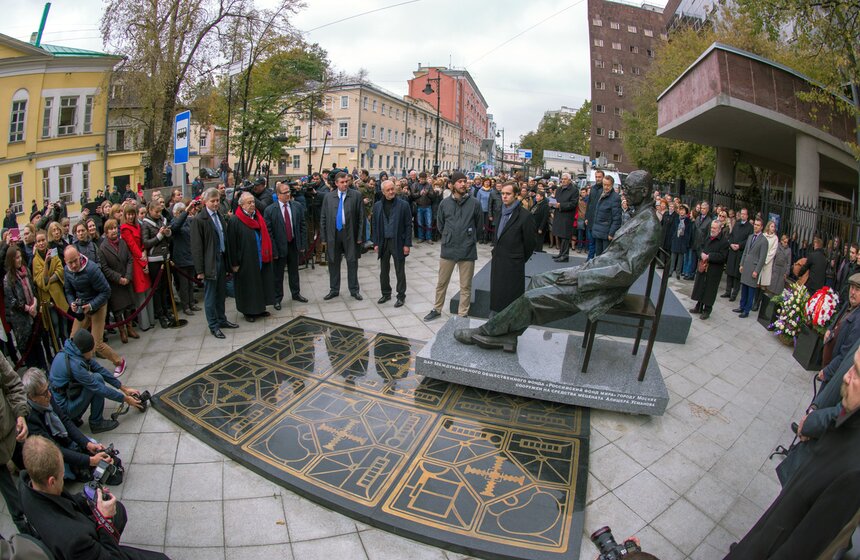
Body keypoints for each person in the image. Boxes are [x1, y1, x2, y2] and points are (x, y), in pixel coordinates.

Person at [454, 170, 660, 353]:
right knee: (538, 280)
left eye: (628, 189)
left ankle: (487, 331)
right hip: (594, 273)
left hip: (603, 288)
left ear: (642, 192)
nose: (623, 193)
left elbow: (626, 271)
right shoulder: (638, 216)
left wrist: (580, 275)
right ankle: (509, 333)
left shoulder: (649, 224)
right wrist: (582, 269)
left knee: (531, 299)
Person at [724, 346, 860, 560]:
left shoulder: (853, 471)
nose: (847, 376)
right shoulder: (845, 427)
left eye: (857, 373)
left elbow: (803, 546)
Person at [19, 435, 170, 560]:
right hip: (89, 546)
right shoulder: (75, 540)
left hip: (76, 529)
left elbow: (64, 502)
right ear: (52, 481)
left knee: (119, 510)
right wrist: (105, 520)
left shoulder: (27, 484)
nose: (63, 477)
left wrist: (89, 497)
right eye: (62, 475)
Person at [23, 368, 113, 482]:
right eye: (44, 393)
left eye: (48, 389)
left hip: (61, 441)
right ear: (32, 397)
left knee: (93, 445)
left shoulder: (46, 397)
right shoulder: (30, 418)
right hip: (49, 452)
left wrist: (87, 443)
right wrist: (90, 460)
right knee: (64, 473)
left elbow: (65, 420)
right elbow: (53, 450)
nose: (49, 395)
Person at [48, 329, 142, 433]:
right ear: (85, 350)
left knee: (97, 376)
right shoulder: (75, 365)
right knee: (97, 380)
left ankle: (76, 418)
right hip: (64, 410)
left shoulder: (73, 351)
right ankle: (96, 422)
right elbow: (99, 388)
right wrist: (125, 399)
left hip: (67, 398)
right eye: (91, 350)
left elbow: (99, 368)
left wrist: (123, 388)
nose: (93, 352)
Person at [424, 172, 482, 321]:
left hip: (467, 249)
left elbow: (479, 226)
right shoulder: (445, 203)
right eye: (460, 182)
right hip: (448, 248)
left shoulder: (475, 203)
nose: (463, 184)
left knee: (466, 286)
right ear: (452, 184)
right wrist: (448, 237)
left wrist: (469, 238)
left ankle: (463, 313)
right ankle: (437, 309)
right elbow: (441, 225)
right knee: (442, 283)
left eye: (465, 181)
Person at [64, 245, 127, 376]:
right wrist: (72, 303)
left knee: (97, 344)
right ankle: (79, 368)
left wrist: (92, 305)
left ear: (79, 256)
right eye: (70, 263)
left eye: (75, 260)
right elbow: (68, 290)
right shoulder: (67, 270)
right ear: (65, 261)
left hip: (98, 305)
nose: (74, 265)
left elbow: (106, 291)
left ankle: (120, 362)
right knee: (73, 340)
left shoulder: (91, 269)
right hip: (82, 305)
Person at [191, 187, 238, 339]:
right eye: (213, 201)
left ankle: (222, 319)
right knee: (211, 296)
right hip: (210, 262)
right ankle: (213, 325)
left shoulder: (219, 215)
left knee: (221, 293)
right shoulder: (200, 219)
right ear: (205, 202)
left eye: (217, 200)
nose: (216, 203)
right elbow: (197, 247)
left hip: (222, 258)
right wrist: (200, 270)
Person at [227, 192, 275, 322]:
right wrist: (234, 263)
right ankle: (248, 311)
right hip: (245, 259)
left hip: (259, 256)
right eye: (249, 202)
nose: (252, 205)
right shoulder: (235, 220)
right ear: (241, 205)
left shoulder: (258, 217)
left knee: (260, 283)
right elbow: (232, 243)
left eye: (253, 202)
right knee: (248, 286)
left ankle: (260, 308)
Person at [489, 182, 536, 313]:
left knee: (511, 300)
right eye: (503, 193)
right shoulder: (500, 212)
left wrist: (518, 258)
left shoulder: (525, 216)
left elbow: (530, 244)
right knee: (497, 296)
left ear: (516, 195)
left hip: (513, 264)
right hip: (498, 261)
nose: (504, 196)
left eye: (508, 194)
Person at [263, 182, 308, 310]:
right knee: (278, 275)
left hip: (293, 244)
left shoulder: (297, 206)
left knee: (294, 271)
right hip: (279, 246)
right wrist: (274, 250)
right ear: (278, 195)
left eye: (289, 192)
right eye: (284, 192)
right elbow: (269, 233)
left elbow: (302, 226)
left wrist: (302, 244)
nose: (288, 195)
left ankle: (296, 293)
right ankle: (277, 298)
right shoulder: (270, 210)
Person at [320, 172, 364, 301]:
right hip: (333, 234)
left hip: (350, 233)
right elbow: (323, 217)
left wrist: (360, 236)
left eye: (347, 182)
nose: (345, 184)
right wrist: (324, 237)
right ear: (336, 183)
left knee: (352, 261)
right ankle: (334, 290)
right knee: (333, 261)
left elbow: (361, 217)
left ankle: (354, 290)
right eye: (342, 182)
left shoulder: (356, 196)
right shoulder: (328, 197)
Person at [0, 354, 30, 534]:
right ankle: (29, 535)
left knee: (37, 473)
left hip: (13, 432)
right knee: (16, 506)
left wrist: (20, 414)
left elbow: (12, 384)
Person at [371, 179, 412, 307]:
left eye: (392, 189)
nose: (391, 191)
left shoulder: (403, 205)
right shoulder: (377, 206)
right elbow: (375, 225)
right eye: (388, 190)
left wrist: (407, 244)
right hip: (383, 241)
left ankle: (401, 295)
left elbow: (408, 226)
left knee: (400, 269)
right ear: (383, 192)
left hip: (398, 242)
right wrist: (376, 242)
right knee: (384, 270)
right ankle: (386, 293)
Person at [98, 219, 138, 344]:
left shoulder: (123, 243)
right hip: (115, 284)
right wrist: (118, 278)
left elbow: (130, 260)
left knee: (128, 307)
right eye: (111, 228)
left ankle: (130, 328)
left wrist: (127, 276)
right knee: (118, 310)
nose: (114, 230)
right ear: (106, 232)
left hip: (126, 279)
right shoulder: (103, 248)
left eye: (115, 227)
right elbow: (105, 268)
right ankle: (122, 331)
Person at [4, 245, 44, 368]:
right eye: (16, 258)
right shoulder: (8, 279)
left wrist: (35, 303)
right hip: (22, 322)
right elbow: (12, 301)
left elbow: (33, 289)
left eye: (20, 256)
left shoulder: (26, 271)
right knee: (29, 351)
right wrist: (27, 308)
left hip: (34, 315)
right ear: (11, 260)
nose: (19, 259)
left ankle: (45, 370)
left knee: (38, 345)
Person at [31, 230, 69, 347]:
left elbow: (60, 270)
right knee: (55, 324)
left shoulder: (53, 253)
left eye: (43, 240)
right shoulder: (35, 261)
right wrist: (46, 265)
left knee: (64, 322)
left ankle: (67, 345)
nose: (41, 243)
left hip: (58, 294)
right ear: (36, 244)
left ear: (46, 241)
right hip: (48, 299)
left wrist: (50, 279)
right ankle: (58, 348)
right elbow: (41, 281)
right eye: (39, 241)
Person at [119, 204, 153, 331]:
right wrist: (143, 261)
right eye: (128, 214)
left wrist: (144, 251)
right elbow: (133, 247)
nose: (131, 216)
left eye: (132, 214)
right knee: (140, 294)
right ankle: (145, 323)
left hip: (142, 258)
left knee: (148, 291)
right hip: (136, 263)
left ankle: (151, 319)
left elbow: (142, 242)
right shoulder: (125, 229)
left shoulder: (138, 225)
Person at [141, 200, 174, 329]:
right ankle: (160, 314)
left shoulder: (163, 220)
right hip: (155, 260)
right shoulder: (146, 224)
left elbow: (169, 239)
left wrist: (168, 234)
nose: (158, 214)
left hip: (166, 257)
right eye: (156, 212)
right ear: (150, 211)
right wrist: (160, 236)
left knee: (166, 286)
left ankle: (167, 311)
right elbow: (146, 243)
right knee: (157, 288)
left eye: (160, 211)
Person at [690, 219, 730, 319]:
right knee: (700, 287)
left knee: (710, 290)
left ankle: (707, 310)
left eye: (714, 228)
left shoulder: (724, 242)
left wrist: (709, 256)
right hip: (703, 266)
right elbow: (700, 247)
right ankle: (698, 306)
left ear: (720, 229)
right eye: (711, 227)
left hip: (714, 270)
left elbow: (723, 257)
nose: (712, 229)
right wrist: (701, 254)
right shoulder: (707, 236)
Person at [734, 218, 768, 318]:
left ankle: (746, 310)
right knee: (743, 287)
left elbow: (762, 258)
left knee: (750, 290)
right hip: (746, 266)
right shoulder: (750, 237)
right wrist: (741, 264)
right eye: (755, 224)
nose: (756, 226)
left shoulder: (764, 241)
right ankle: (741, 306)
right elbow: (745, 252)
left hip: (753, 268)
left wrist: (757, 271)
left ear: (761, 227)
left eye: (758, 225)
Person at [170, 201, 199, 316]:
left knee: (191, 282)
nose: (183, 214)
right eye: (180, 212)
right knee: (184, 284)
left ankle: (192, 303)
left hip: (190, 255)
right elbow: (176, 227)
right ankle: (185, 305)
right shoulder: (174, 223)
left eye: (184, 211)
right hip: (181, 257)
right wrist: (186, 212)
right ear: (175, 213)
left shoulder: (189, 221)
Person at [722, 208, 752, 301]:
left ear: (747, 216)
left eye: (744, 214)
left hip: (740, 252)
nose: (742, 215)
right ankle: (727, 291)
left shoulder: (750, 227)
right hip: (732, 251)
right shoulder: (737, 224)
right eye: (741, 214)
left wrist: (739, 245)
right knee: (729, 272)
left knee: (737, 275)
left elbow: (748, 240)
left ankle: (734, 294)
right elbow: (731, 235)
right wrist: (731, 244)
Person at [590, 175, 622, 257]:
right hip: (598, 230)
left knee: (605, 257)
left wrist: (611, 233)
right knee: (598, 256)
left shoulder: (615, 197)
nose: (606, 187)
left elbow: (617, 218)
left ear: (612, 185)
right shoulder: (601, 194)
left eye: (608, 185)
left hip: (607, 233)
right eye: (604, 184)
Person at [549, 173, 578, 262]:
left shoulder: (574, 190)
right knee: (560, 235)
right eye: (562, 179)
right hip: (559, 214)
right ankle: (561, 254)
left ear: (569, 180)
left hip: (567, 216)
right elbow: (556, 200)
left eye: (565, 179)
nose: (563, 180)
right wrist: (552, 204)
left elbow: (573, 204)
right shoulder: (558, 189)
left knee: (565, 236)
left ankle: (565, 256)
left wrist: (560, 205)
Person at [583, 169, 605, 260]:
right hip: (591, 220)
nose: (597, 178)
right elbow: (589, 204)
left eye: (599, 177)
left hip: (600, 222)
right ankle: (589, 260)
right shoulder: (592, 188)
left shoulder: (605, 189)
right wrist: (586, 217)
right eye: (596, 177)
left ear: (603, 177)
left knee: (599, 246)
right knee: (591, 243)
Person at [669, 204, 692, 280]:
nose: (682, 212)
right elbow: (673, 229)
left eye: (683, 210)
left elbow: (689, 232)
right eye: (680, 210)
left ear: (686, 212)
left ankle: (678, 273)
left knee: (680, 258)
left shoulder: (688, 221)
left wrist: (687, 242)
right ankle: (670, 271)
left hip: (683, 241)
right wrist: (673, 238)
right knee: (673, 256)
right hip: (676, 239)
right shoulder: (676, 219)